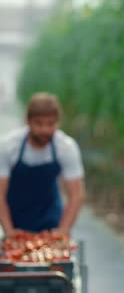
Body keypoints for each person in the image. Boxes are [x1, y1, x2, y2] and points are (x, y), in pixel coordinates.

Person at [0, 92, 85, 238]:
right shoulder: (8, 146)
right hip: (15, 220)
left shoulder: (65, 147)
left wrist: (62, 231)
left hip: (51, 219)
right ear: (28, 121)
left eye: (50, 124)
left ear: (57, 123)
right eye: (39, 123)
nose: (45, 130)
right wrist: (9, 232)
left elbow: (76, 194)